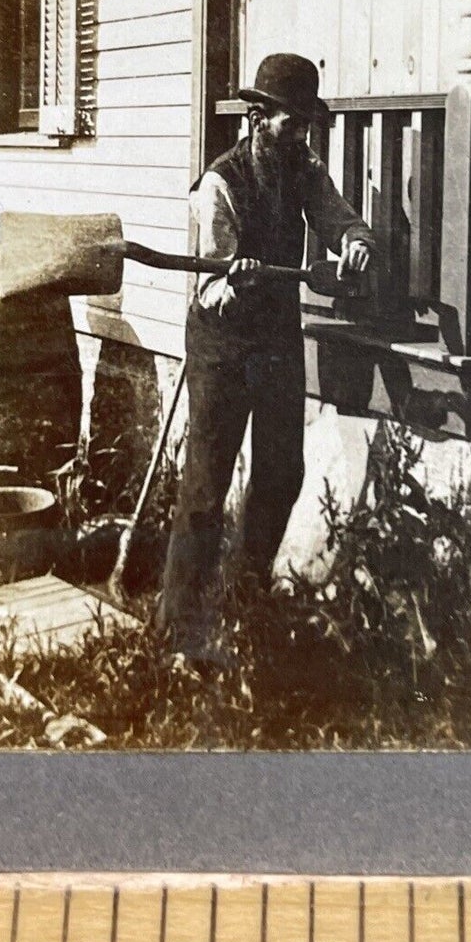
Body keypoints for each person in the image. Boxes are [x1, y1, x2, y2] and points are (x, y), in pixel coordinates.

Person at [158, 53, 374, 665]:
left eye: (306, 124)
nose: (300, 135)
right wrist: (235, 282)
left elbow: (340, 221)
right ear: (258, 119)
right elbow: (209, 288)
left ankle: (245, 599)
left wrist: (356, 243)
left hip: (277, 338)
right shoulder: (219, 185)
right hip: (224, 345)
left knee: (283, 471)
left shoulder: (303, 169)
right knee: (206, 486)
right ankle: (178, 632)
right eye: (290, 123)